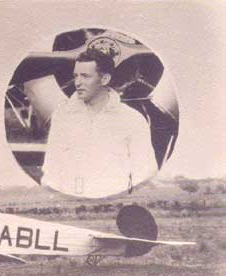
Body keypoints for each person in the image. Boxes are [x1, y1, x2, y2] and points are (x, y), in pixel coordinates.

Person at [41, 49, 156, 198]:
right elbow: (51, 171)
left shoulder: (132, 119)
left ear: (105, 79)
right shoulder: (62, 117)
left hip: (113, 206)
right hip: (70, 205)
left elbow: (145, 174)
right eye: (75, 76)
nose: (77, 83)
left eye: (85, 76)